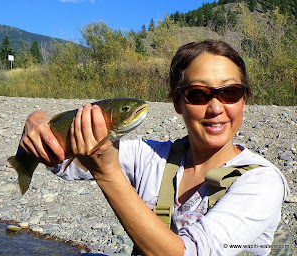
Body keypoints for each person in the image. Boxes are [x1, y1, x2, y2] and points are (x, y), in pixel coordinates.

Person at [19, 40, 289, 256]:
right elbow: (67, 168)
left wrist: (107, 173)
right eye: (198, 94)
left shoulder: (261, 181)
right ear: (178, 103)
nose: (216, 108)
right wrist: (40, 124)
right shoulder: (150, 157)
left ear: (244, 100)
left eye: (230, 93)